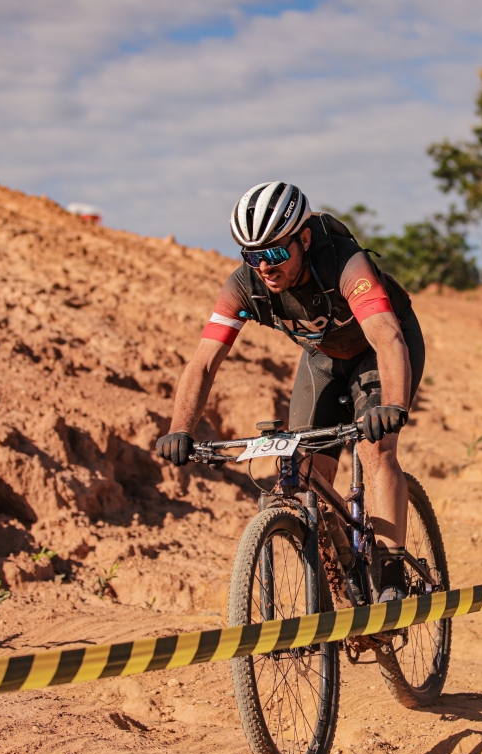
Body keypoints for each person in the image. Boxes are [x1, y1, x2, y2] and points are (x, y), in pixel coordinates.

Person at [155, 181, 424, 602]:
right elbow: (204, 361)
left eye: (276, 253)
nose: (264, 266)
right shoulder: (244, 285)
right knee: (303, 471)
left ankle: (391, 578)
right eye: (252, 255)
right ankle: (346, 570)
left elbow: (387, 336)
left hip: (380, 350)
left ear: (304, 240)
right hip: (322, 359)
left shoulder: (345, 265)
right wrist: (180, 428)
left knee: (375, 449)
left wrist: (390, 405)